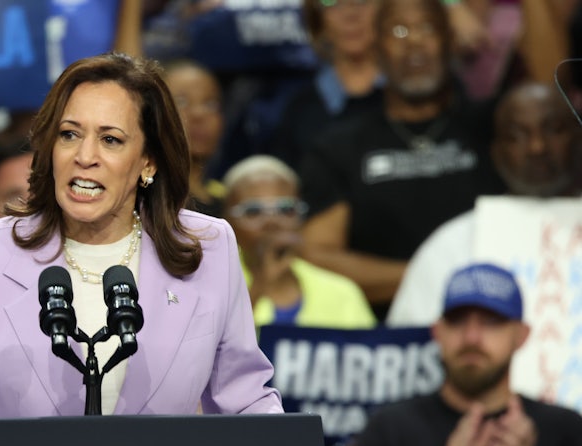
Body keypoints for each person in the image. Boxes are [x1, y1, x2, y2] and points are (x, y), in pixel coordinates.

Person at [0, 53, 283, 436]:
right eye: (69, 134)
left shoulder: (206, 248)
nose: (84, 155)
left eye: (110, 140)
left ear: (147, 161)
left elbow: (245, 398)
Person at [340, 263, 582, 446]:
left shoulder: (565, 428)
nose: (471, 338)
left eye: (491, 322)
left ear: (521, 334)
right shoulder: (391, 425)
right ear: (437, 332)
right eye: (457, 322)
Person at [298, 0, 507, 319]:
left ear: (450, 42)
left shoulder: (494, 130)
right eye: (398, 30)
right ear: (377, 49)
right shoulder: (338, 147)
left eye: (427, 27)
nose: (414, 41)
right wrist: (431, 276)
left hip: (491, 321)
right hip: (384, 339)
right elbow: (318, 255)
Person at [388, 81, 582, 325]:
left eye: (553, 130)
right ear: (496, 153)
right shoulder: (453, 243)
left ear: (578, 139)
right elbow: (415, 344)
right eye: (516, 136)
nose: (537, 147)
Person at [222, 155, 376, 328]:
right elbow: (209, 349)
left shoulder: (342, 292)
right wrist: (259, 285)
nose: (272, 222)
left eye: (286, 209)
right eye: (253, 211)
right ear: (227, 222)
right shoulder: (214, 288)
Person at [269, 0, 383, 171]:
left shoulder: (413, 97)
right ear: (318, 20)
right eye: (333, 2)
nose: (350, 15)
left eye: (362, 1)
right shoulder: (298, 111)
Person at [163, 60, 226, 217]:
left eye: (211, 104)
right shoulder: (141, 201)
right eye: (181, 102)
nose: (198, 114)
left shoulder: (230, 200)